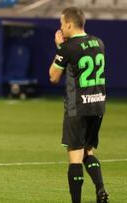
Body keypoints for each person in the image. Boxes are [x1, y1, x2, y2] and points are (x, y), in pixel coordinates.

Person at [49, 7, 108, 203]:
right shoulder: (99, 42)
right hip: (98, 104)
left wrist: (59, 48)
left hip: (78, 108)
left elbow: (53, 77)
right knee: (88, 151)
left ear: (69, 24)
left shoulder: (68, 48)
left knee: (75, 157)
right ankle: (100, 189)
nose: (60, 28)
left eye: (61, 24)